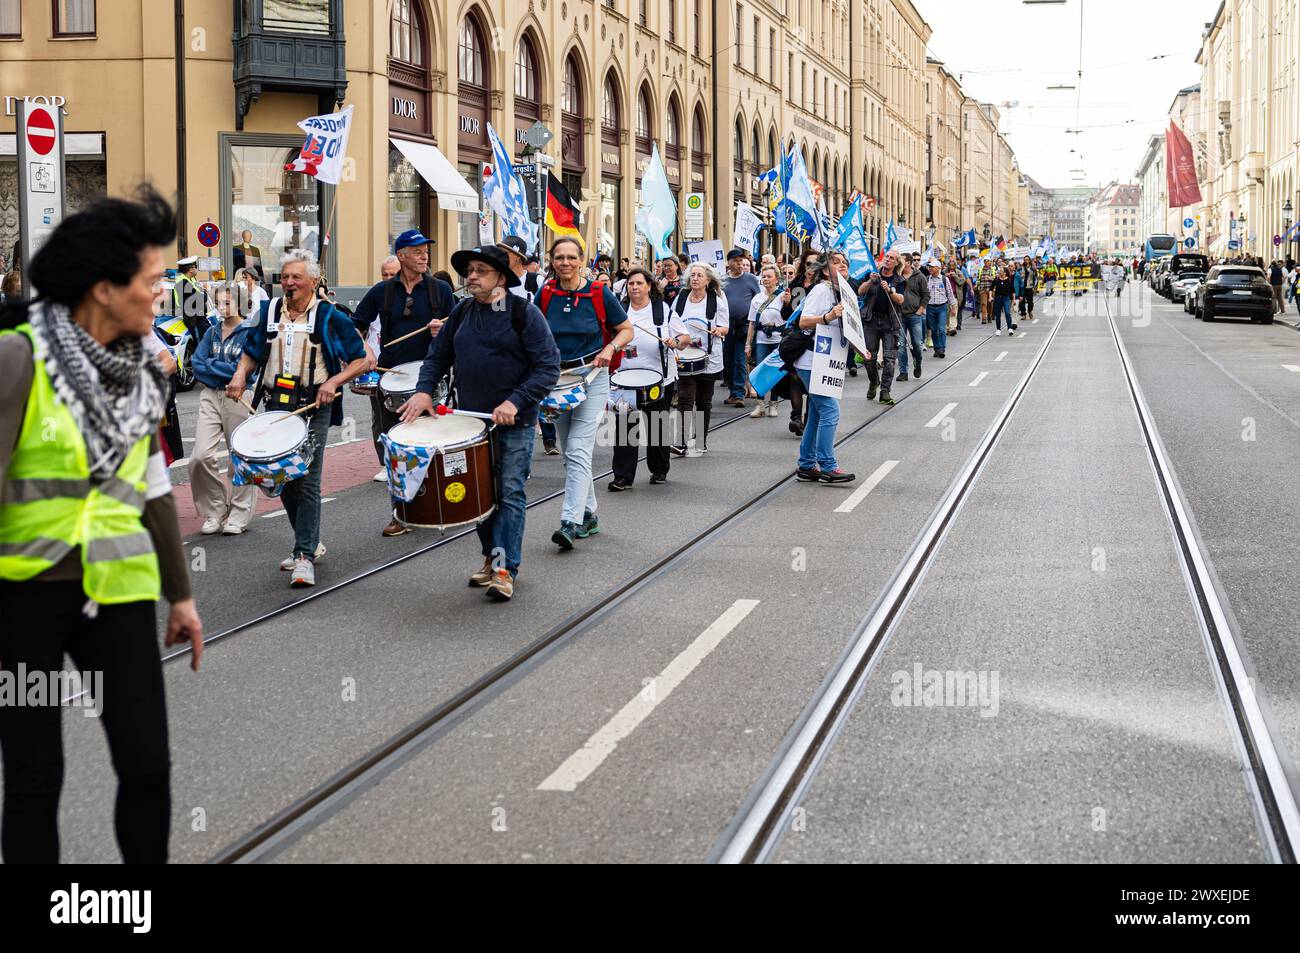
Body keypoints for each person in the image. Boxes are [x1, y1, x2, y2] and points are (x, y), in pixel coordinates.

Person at [0, 185, 203, 863]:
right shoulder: (18, 358)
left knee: (147, 766)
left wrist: (180, 593)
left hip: (117, 593)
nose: (160, 295)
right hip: (22, 596)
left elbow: (148, 485)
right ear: (104, 288)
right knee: (34, 779)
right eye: (150, 281)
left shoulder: (144, 375)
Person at [398, 246, 559, 600]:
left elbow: (548, 366)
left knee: (510, 491)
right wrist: (425, 391)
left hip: (514, 422)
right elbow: (437, 357)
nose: (471, 276)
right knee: (479, 493)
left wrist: (514, 401)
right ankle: (491, 555)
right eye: (469, 270)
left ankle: (505, 568)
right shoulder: (462, 312)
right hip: (470, 423)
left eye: (480, 270)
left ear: (500, 277)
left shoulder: (523, 313)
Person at [225, 250, 369, 587]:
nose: (288, 283)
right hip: (276, 406)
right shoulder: (269, 310)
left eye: (295, 278)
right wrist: (239, 375)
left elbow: (362, 360)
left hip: (313, 407)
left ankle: (304, 554)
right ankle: (309, 540)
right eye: (284, 277)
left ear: (313, 282)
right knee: (281, 478)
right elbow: (252, 351)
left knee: (306, 478)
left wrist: (333, 382)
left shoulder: (330, 316)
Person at [350, 230, 456, 533]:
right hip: (390, 376)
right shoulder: (382, 292)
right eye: (417, 250)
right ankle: (401, 512)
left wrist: (443, 330)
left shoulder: (440, 291)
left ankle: (435, 503)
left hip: (428, 376)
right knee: (396, 446)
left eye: (426, 250)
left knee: (428, 443)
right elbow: (355, 325)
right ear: (401, 256)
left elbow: (458, 327)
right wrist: (364, 349)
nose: (424, 255)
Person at [535, 236, 632, 549]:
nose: (565, 262)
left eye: (571, 257)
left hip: (592, 376)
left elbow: (626, 329)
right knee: (570, 452)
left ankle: (570, 521)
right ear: (552, 261)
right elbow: (529, 329)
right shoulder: (546, 293)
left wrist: (610, 348)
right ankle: (589, 515)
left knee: (578, 449)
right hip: (556, 379)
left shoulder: (599, 292)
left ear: (581, 260)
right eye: (559, 257)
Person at [609, 267, 690, 489]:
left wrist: (676, 342)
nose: (634, 287)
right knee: (625, 426)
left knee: (656, 424)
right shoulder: (619, 310)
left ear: (649, 286)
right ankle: (623, 476)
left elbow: (684, 337)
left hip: (659, 379)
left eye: (639, 283)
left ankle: (659, 469)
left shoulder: (662, 311)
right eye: (631, 284)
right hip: (624, 381)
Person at [189, 286, 258, 536]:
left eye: (227, 302)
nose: (221, 307)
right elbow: (196, 364)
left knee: (238, 456)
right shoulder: (211, 331)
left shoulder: (250, 332)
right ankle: (215, 509)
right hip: (210, 395)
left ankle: (239, 513)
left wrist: (213, 365)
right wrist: (224, 368)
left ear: (239, 304)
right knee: (200, 456)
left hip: (239, 396)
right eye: (218, 302)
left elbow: (244, 370)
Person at [790, 252, 855, 485]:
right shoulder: (821, 290)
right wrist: (828, 316)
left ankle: (807, 465)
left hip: (827, 359)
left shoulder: (840, 292)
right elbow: (804, 321)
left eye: (845, 263)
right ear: (826, 270)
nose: (843, 265)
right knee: (830, 411)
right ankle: (828, 466)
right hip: (812, 359)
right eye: (837, 262)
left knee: (818, 414)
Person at [671, 262, 730, 456]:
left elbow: (725, 328)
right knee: (685, 399)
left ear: (708, 280)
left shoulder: (717, 300)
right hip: (684, 357)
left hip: (709, 357)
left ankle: (700, 439)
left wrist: (718, 330)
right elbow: (671, 323)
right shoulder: (680, 299)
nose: (695, 278)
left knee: (704, 401)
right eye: (692, 275)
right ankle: (680, 441)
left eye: (699, 275)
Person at [858, 249, 905, 405]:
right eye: (887, 257)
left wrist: (890, 290)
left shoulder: (899, 280)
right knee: (868, 357)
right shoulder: (873, 274)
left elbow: (901, 300)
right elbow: (860, 291)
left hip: (890, 322)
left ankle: (885, 391)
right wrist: (870, 281)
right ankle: (874, 381)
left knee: (889, 359)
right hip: (871, 320)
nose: (888, 260)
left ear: (896, 263)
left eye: (892, 258)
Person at [746, 263, 787, 419]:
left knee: (775, 372)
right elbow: (752, 322)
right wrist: (748, 343)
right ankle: (760, 405)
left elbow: (788, 318)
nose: (766, 279)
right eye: (763, 276)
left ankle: (774, 404)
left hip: (778, 338)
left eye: (769, 276)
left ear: (777, 278)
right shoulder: (757, 298)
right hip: (762, 339)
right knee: (761, 371)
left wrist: (788, 302)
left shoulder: (783, 296)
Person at [721, 248, 761, 406]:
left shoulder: (750, 279)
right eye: (736, 261)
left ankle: (739, 393)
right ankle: (732, 390)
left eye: (741, 261)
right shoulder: (723, 280)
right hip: (726, 326)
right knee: (728, 360)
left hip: (744, 325)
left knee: (739, 359)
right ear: (729, 263)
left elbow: (758, 300)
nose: (739, 264)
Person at [897, 255, 928, 383]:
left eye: (901, 261)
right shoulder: (896, 277)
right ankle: (903, 372)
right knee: (900, 345)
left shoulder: (919, 276)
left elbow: (926, 294)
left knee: (917, 344)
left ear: (908, 263)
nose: (899, 263)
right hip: (899, 315)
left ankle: (918, 362)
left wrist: (921, 309)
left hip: (914, 315)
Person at [924, 259, 955, 362]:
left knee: (941, 329)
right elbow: (924, 294)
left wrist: (952, 306)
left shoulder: (944, 279)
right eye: (929, 267)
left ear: (938, 268)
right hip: (930, 307)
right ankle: (936, 348)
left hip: (942, 307)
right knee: (933, 329)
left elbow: (950, 293)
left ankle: (942, 348)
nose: (930, 269)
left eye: (932, 267)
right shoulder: (927, 279)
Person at [992, 265, 1017, 336]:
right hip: (997, 298)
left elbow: (1013, 290)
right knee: (997, 315)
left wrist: (1014, 299)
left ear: (1005, 272)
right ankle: (998, 329)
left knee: (1007, 312)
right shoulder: (996, 278)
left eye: (1001, 270)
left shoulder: (1009, 280)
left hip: (1006, 298)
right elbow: (991, 288)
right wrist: (990, 296)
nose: (999, 271)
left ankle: (1009, 328)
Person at [1016, 257, 1038, 322]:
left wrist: (1035, 287)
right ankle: (1023, 314)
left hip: (1030, 287)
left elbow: (1036, 278)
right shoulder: (1020, 269)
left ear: (1029, 261)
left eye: (1027, 260)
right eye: (1025, 260)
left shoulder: (1033, 269)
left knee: (1030, 302)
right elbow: (1017, 278)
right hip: (1022, 287)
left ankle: (1030, 311)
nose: (1026, 261)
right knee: (1021, 302)